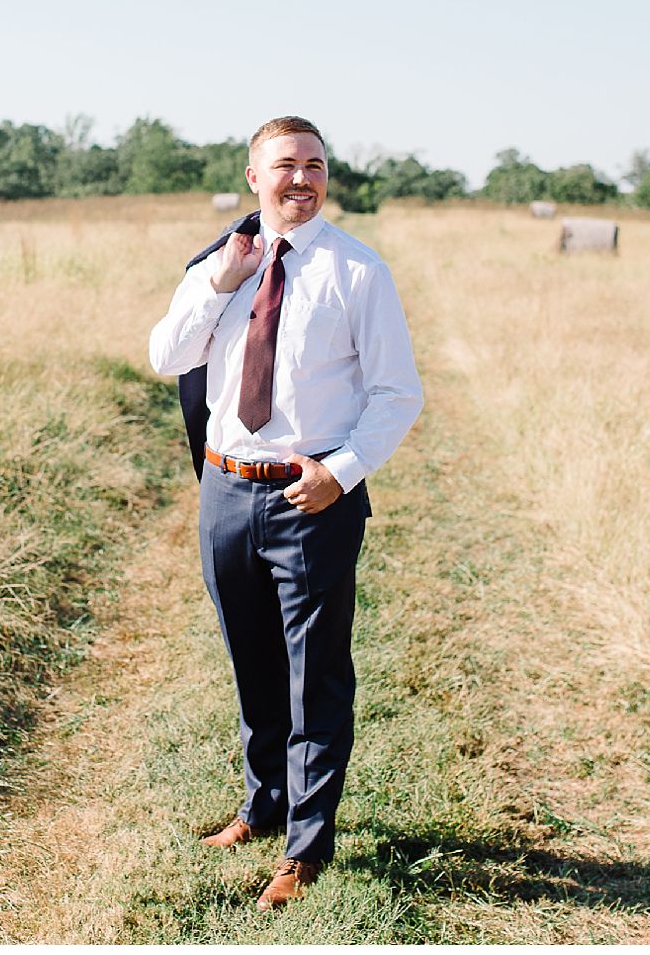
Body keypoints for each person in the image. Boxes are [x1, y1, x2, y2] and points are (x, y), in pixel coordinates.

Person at [148, 115, 423, 911]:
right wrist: (220, 284)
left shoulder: (358, 272)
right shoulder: (216, 265)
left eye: (315, 165)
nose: (301, 178)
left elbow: (397, 392)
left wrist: (341, 473)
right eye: (284, 165)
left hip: (312, 498)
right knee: (251, 661)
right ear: (253, 176)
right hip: (226, 491)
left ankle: (307, 846)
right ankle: (262, 806)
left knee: (315, 677)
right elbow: (167, 357)